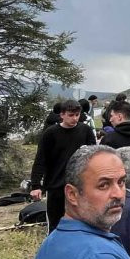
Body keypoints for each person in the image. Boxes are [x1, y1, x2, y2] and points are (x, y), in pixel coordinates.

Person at [30, 99, 97, 233]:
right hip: (55, 185)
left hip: (79, 185)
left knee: (81, 222)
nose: (74, 118)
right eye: (71, 115)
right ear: (62, 115)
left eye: (77, 115)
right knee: (55, 224)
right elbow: (40, 159)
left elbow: (94, 155)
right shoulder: (50, 133)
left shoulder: (86, 131)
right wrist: (36, 185)